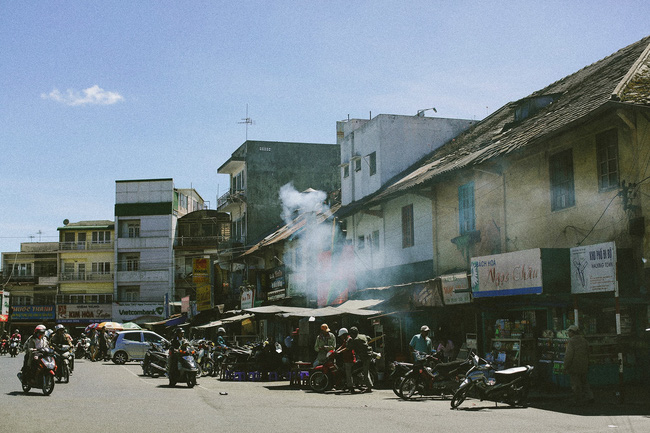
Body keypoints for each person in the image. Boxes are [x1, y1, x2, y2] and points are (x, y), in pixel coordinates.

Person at [564, 324, 594, 405]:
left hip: (574, 366)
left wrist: (565, 366)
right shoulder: (584, 341)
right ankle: (590, 396)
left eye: (569, 332)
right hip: (584, 365)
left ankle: (578, 400)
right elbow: (588, 353)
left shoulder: (571, 341)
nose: (568, 333)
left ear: (572, 332)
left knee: (576, 384)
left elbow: (569, 355)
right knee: (584, 382)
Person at [347, 327, 373, 392]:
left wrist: (349, 340)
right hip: (368, 355)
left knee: (365, 372)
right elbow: (369, 338)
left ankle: (369, 387)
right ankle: (367, 385)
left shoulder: (355, 340)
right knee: (363, 370)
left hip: (365, 357)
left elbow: (349, 347)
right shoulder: (363, 336)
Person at [335, 327, 356, 393]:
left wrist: (340, 351)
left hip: (349, 359)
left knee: (348, 373)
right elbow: (342, 346)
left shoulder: (349, 339)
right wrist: (336, 350)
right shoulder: (345, 340)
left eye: (341, 336)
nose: (341, 337)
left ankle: (351, 388)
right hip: (345, 359)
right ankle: (345, 385)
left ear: (344, 334)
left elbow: (347, 348)